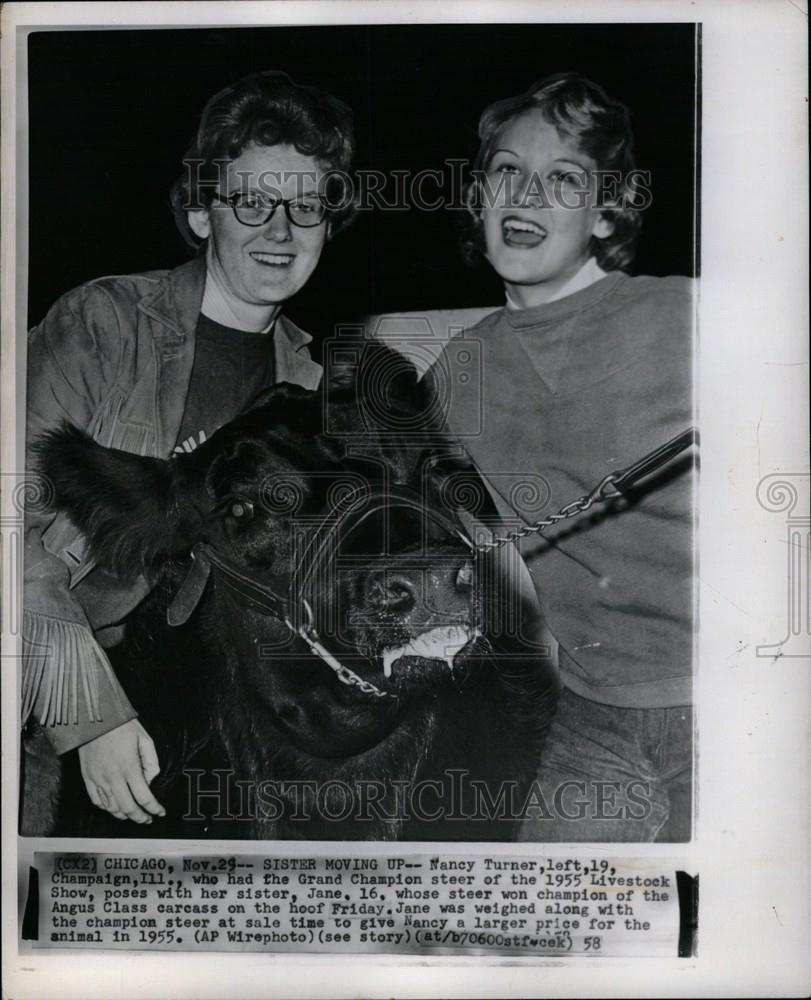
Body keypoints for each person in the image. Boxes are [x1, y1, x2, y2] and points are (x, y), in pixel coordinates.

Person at [23, 70, 356, 827]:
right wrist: (92, 717)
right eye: (251, 201)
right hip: (44, 687)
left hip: (193, 717)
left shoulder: (312, 387)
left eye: (305, 205)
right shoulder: (104, 322)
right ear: (205, 213)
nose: (280, 230)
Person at [428, 72, 695, 841]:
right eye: (506, 171)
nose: (525, 196)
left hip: (734, 704)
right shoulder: (457, 374)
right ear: (478, 197)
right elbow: (484, 558)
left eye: (563, 180)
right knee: (534, 937)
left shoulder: (683, 316)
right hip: (588, 718)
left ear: (606, 212)